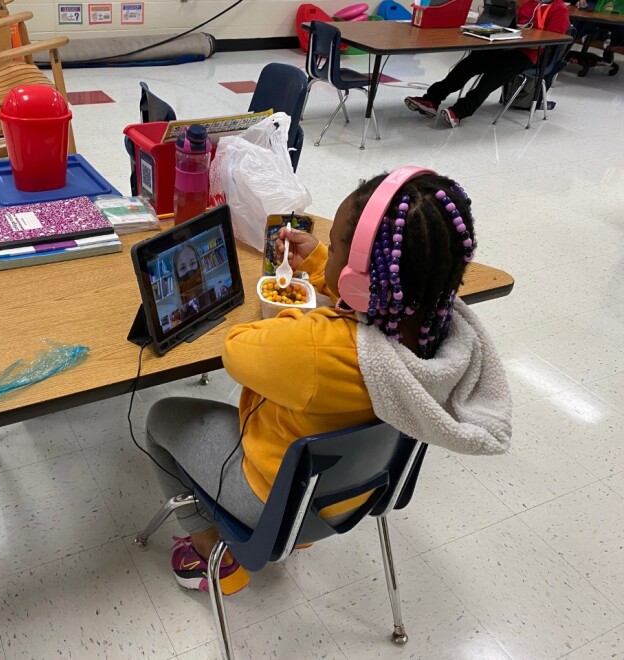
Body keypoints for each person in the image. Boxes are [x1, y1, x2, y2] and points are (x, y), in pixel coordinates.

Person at [143, 169, 512, 596]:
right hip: (354, 495)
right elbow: (359, 311)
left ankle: (210, 552)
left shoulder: (319, 349)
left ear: (362, 279)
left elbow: (237, 349)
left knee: (161, 417)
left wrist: (303, 318)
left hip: (272, 502)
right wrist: (321, 263)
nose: (330, 251)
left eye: (337, 246)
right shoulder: (436, 330)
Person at [404, 0, 570, 127]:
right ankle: (432, 99)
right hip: (506, 46)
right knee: (470, 63)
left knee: (496, 74)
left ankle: (460, 111)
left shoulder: (559, 9)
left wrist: (521, 37)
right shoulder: (529, 3)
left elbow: (551, 41)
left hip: (528, 54)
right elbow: (514, 22)